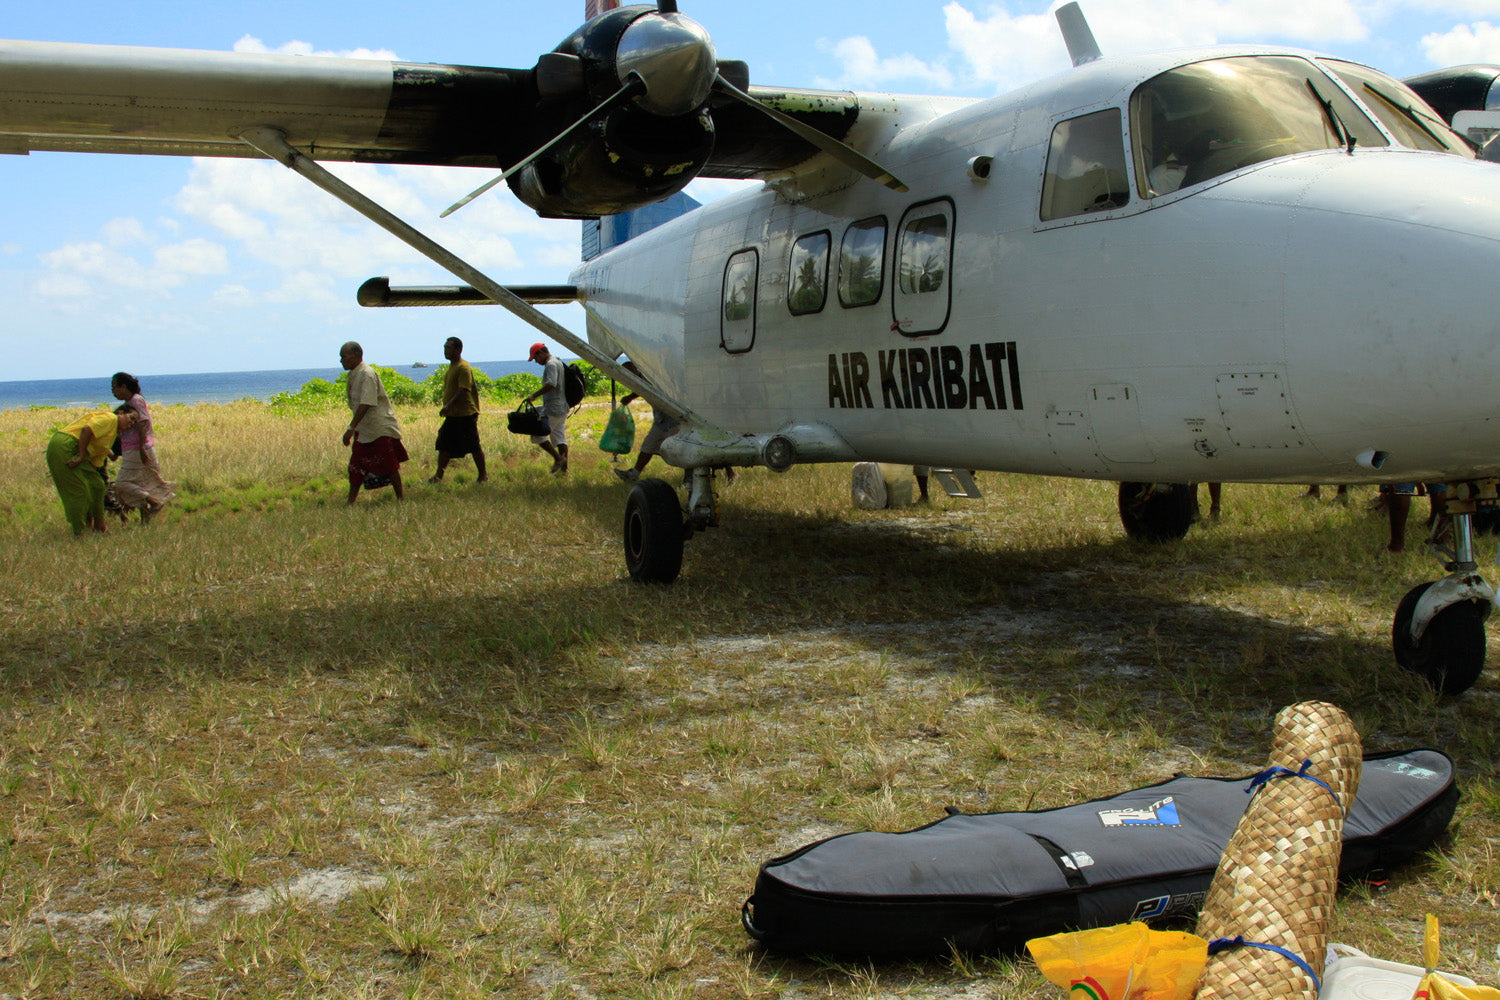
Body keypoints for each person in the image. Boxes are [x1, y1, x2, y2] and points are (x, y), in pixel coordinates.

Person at [46, 407, 139, 535]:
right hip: (65, 446)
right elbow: (87, 430)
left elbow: (102, 455)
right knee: (79, 491)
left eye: (134, 423)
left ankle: (99, 525)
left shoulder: (112, 432)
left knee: (98, 485)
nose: (131, 423)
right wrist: (80, 456)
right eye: (131, 418)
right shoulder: (110, 418)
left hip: (76, 449)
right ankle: (79, 532)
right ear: (120, 413)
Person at [340, 341, 408, 504]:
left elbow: (367, 402)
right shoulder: (355, 373)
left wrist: (351, 427)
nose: (342, 360)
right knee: (356, 465)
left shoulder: (367, 373)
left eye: (344, 356)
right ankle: (350, 502)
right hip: (365, 429)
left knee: (389, 464)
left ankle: (401, 499)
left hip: (378, 428)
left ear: (356, 355)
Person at [109, 372, 175, 522]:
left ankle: (154, 502)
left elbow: (143, 423)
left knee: (121, 484)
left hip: (136, 449)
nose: (113, 392)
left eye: (114, 388)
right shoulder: (130, 403)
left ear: (123, 386)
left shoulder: (136, 400)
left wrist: (141, 448)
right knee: (139, 484)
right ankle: (145, 519)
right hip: (131, 449)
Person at [429, 337, 486, 484]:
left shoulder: (463, 367)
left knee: (473, 445)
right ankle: (438, 477)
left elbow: (463, 389)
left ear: (458, 350)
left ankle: (483, 476)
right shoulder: (452, 366)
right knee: (444, 443)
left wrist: (448, 405)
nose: (445, 350)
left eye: (448, 348)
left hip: (465, 414)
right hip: (454, 415)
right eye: (445, 347)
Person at [614, 361, 680, 483]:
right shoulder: (639, 380)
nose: (627, 376)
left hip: (673, 419)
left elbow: (647, 388)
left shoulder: (649, 377)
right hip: (661, 420)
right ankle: (633, 474)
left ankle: (690, 477)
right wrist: (630, 397)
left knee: (679, 451)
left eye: (629, 372)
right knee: (648, 446)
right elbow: (641, 389)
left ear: (636, 370)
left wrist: (630, 397)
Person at [522, 342, 569, 474]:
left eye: (535, 358)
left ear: (540, 353)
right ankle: (564, 471)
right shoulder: (558, 361)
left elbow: (551, 384)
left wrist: (533, 396)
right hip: (562, 406)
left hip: (553, 408)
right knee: (560, 438)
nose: (536, 362)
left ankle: (558, 459)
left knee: (537, 435)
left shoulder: (551, 364)